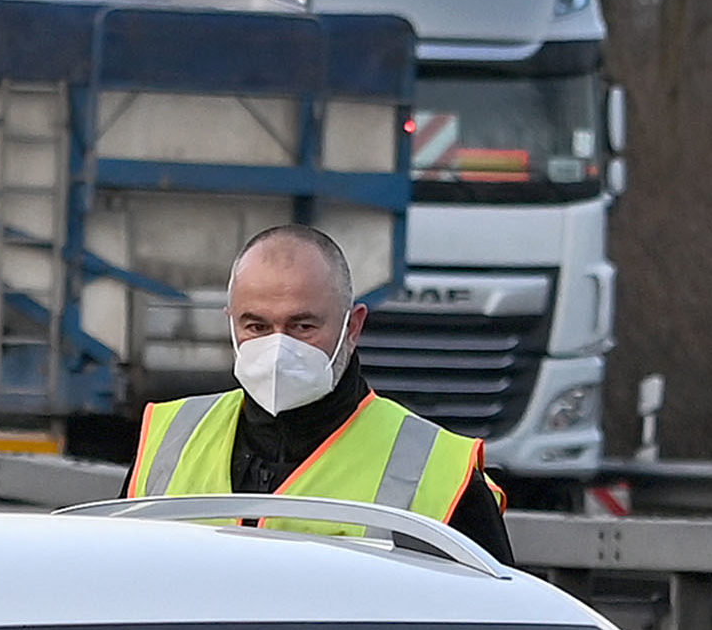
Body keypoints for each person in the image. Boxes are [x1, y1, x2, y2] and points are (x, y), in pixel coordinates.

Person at [127, 225, 513, 560]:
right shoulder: (168, 441)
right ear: (231, 322)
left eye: (303, 326)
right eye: (256, 327)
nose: (278, 348)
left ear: (353, 327)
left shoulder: (438, 472)